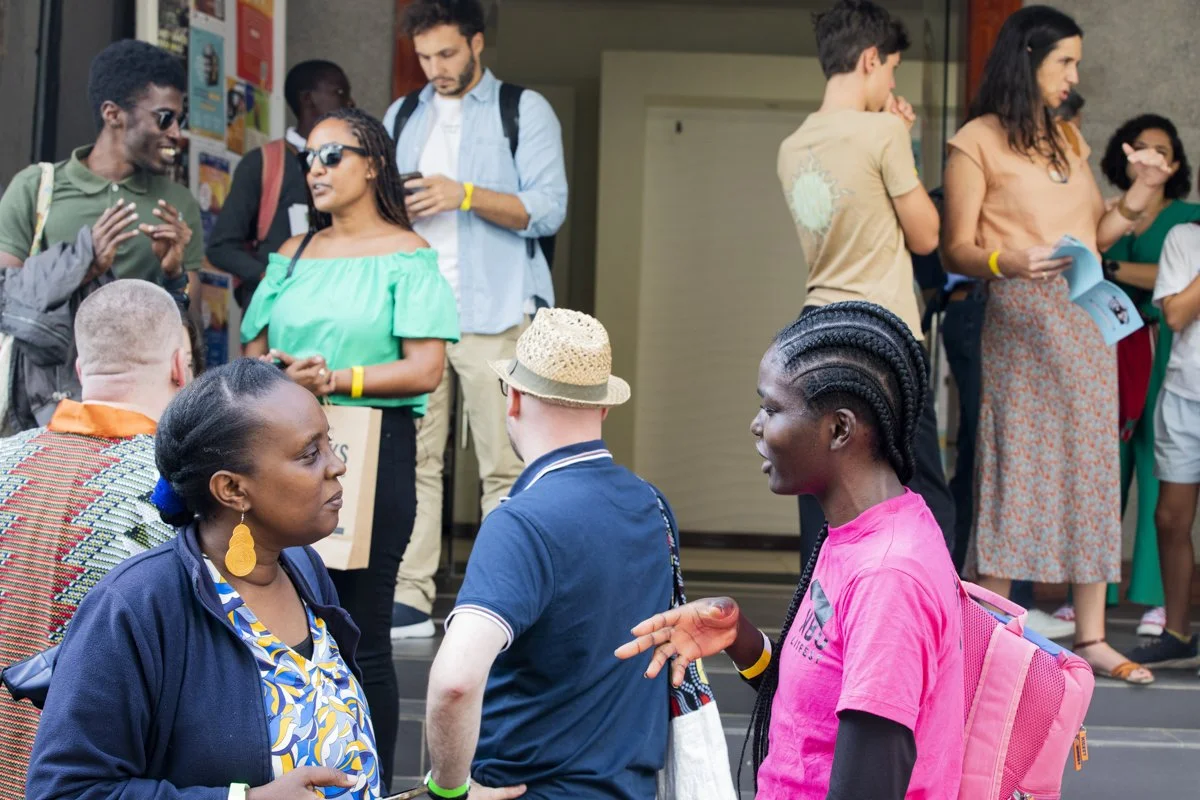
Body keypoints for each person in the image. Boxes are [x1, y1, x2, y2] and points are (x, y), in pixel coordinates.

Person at [617, 302, 964, 799]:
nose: (756, 426)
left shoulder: (888, 578)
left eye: (773, 409)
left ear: (839, 429)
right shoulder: (857, 531)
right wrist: (739, 638)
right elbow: (818, 705)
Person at [941, 5, 1173, 684]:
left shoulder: (1066, 138)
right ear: (1028, 58)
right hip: (1020, 315)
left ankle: (1093, 636)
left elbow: (1096, 234)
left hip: (1085, 316)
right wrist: (1002, 262)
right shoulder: (975, 140)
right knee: (1015, 467)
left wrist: (1139, 192)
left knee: (1092, 470)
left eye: (1077, 62)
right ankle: (992, 628)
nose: (1074, 75)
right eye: (1064, 61)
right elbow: (957, 245)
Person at [26, 360, 382, 800]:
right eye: (310, 454)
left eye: (329, 444)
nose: (337, 466)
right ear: (232, 490)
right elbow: (65, 790)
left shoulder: (304, 567)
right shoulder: (134, 607)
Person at [241, 106, 459, 788]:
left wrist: (336, 378)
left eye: (333, 155)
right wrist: (284, 376)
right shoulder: (291, 253)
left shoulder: (408, 253)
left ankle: (371, 784)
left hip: (371, 446)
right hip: (281, 449)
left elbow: (426, 367)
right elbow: (249, 351)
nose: (315, 168)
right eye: (310, 156)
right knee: (274, 621)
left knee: (359, 629)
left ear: (373, 165)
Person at [425, 309, 670, 800]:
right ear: (603, 408)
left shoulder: (519, 523)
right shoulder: (652, 504)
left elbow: (455, 681)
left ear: (513, 398)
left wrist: (449, 790)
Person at [384, 0, 569, 639]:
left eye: (447, 54)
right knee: (413, 459)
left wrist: (461, 194)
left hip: (498, 309)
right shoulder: (402, 114)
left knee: (507, 464)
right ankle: (408, 595)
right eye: (425, 57)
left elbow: (549, 209)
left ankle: (497, 597)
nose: (435, 68)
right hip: (416, 314)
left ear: (477, 44)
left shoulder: (525, 110)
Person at [775, 0, 954, 564]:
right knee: (921, 486)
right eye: (894, 68)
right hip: (883, 329)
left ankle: (821, 629)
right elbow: (926, 236)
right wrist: (906, 142)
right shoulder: (882, 132)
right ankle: (933, 618)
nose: (892, 81)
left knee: (822, 482)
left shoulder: (792, 146)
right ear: (871, 59)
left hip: (816, 329)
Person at [0, 280, 192, 800]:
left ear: (82, 371)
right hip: (102, 776)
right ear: (180, 366)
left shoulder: (3, 462)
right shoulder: (182, 493)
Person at [1048, 115, 1199, 639]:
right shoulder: (1107, 212)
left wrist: (1110, 268)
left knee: (1157, 465)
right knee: (1101, 463)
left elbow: (1165, 284)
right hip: (1105, 341)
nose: (1151, 156)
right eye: (1141, 146)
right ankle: (1090, 594)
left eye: (1163, 149)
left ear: (1176, 163)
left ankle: (1158, 600)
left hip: (1159, 347)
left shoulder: (1187, 217)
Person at [0, 40, 202, 431]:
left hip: (143, 408)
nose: (176, 132)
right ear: (113, 114)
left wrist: (174, 272)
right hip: (44, 402)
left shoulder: (177, 203)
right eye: (165, 118)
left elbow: (192, 329)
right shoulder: (38, 187)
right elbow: (5, 298)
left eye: (180, 119)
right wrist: (79, 265)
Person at [206, 60, 355, 308]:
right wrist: (269, 277)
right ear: (308, 99)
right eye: (340, 92)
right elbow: (221, 247)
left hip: (336, 306)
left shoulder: (352, 162)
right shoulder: (263, 163)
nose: (351, 103)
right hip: (274, 311)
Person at [1124, 218, 1200, 670]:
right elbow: (1174, 314)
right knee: (1171, 518)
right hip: (1184, 395)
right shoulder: (1184, 237)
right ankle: (1177, 632)